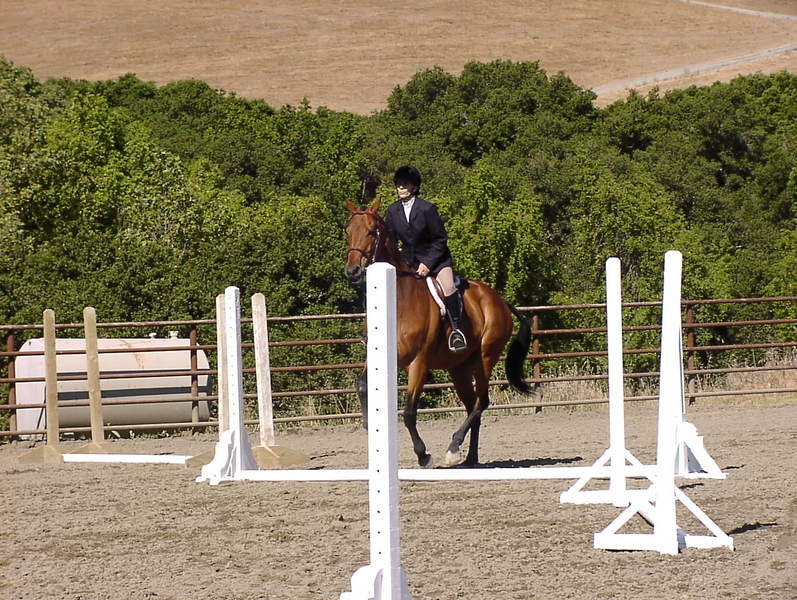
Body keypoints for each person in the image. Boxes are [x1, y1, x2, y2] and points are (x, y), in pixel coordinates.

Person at [384, 165, 467, 352]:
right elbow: (391, 239)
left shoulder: (427, 209)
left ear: (414, 187)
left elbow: (440, 239)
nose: (401, 187)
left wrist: (428, 264)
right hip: (409, 262)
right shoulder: (392, 211)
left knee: (448, 287)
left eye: (405, 184)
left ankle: (456, 331)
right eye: (398, 184)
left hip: (436, 260)